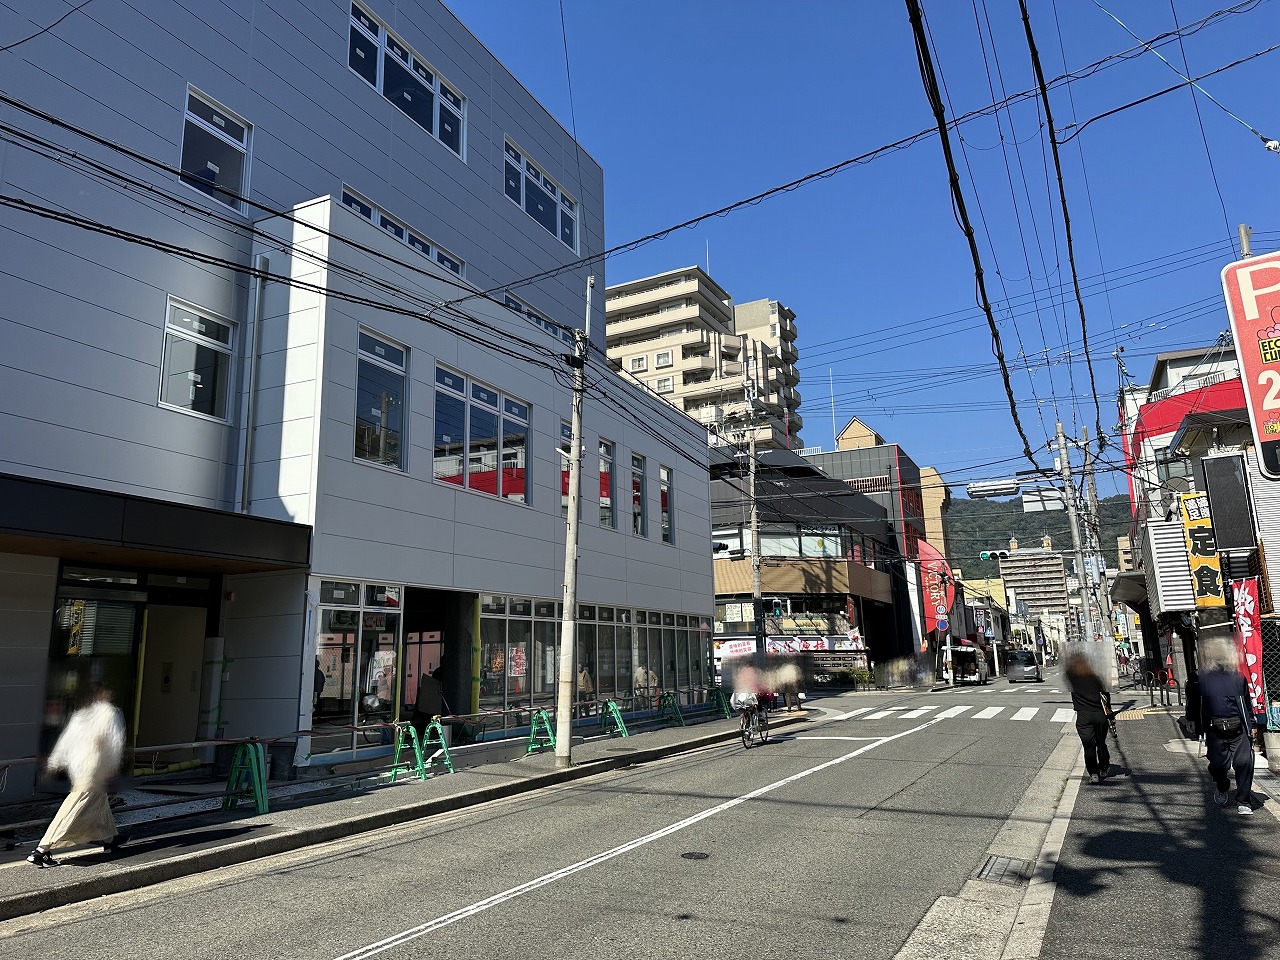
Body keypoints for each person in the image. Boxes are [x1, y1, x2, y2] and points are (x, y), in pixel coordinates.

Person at [27, 684, 127, 867]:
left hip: (79, 768)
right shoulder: (108, 712)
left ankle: (110, 839)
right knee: (74, 807)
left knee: (99, 803)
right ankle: (41, 850)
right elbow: (114, 742)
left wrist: (53, 764)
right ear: (103, 695)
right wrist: (114, 766)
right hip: (96, 767)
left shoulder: (80, 716)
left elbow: (65, 742)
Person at [1193, 638, 1255, 815]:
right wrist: (1198, 726)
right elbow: (1196, 703)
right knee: (1218, 766)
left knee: (1244, 764)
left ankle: (1244, 801)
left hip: (1239, 727)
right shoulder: (1202, 678)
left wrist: (1252, 723)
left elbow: (1246, 703)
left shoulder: (1238, 677)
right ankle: (1222, 785)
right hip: (1214, 728)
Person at [1065, 647, 1115, 785]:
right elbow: (1105, 696)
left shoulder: (1073, 679)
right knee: (1101, 742)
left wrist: (1071, 658)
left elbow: (1066, 670)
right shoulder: (1095, 678)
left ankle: (1093, 773)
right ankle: (1104, 767)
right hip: (1100, 714)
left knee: (1089, 746)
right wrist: (1109, 712)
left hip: (1083, 716)